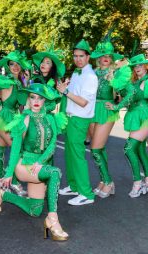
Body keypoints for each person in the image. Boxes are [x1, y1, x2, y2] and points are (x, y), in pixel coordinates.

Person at [0, 83, 68, 241]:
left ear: (44, 101)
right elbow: (15, 148)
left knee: (35, 210)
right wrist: (8, 174)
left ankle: (4, 195)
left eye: (40, 98)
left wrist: (40, 161)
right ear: (27, 99)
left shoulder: (50, 118)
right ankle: (53, 220)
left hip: (38, 166)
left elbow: (53, 143)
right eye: (33, 97)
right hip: (24, 165)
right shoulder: (24, 119)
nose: (36, 101)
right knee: (55, 172)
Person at [106, 53, 148, 198]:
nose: (137, 68)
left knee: (129, 148)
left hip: (145, 115)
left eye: (140, 65)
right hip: (134, 115)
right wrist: (114, 80)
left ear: (145, 66)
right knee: (139, 150)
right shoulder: (132, 82)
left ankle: (138, 183)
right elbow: (127, 98)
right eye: (134, 66)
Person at [57, 39, 98, 205]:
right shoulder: (76, 73)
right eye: (75, 56)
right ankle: (74, 186)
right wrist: (66, 87)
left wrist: (65, 91)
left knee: (78, 156)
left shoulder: (90, 76)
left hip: (80, 119)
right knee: (69, 155)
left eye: (81, 56)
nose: (78, 59)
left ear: (88, 57)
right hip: (70, 118)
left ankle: (86, 194)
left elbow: (83, 102)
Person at [0, 49, 31, 196]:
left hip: (13, 118)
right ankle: (13, 181)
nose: (14, 67)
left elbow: (23, 101)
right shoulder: (6, 80)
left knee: (0, 147)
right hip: (4, 119)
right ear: (7, 66)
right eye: (11, 64)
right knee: (17, 149)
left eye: (17, 64)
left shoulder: (19, 81)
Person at [89, 35, 123, 198]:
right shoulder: (92, 72)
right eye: (103, 55)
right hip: (92, 110)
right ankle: (103, 180)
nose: (105, 58)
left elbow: (129, 92)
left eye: (108, 56)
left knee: (95, 149)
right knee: (99, 149)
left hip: (106, 110)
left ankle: (109, 182)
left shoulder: (116, 73)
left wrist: (117, 106)